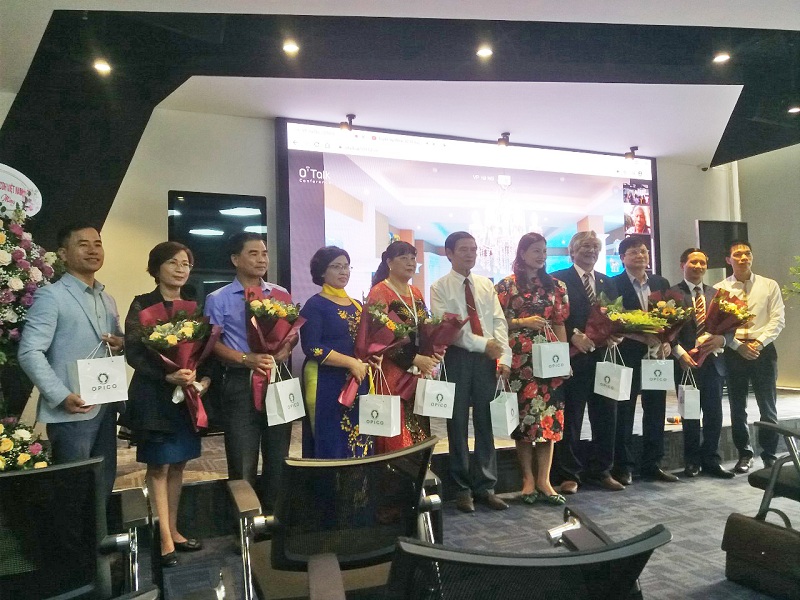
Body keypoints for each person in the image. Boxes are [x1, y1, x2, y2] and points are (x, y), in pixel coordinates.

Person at [119, 242, 211, 567]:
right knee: (158, 466)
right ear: (156, 268)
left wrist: (197, 374)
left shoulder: (194, 306)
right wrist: (166, 375)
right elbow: (134, 352)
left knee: (179, 464)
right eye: (173, 262)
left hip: (185, 397)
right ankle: (163, 538)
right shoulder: (142, 304)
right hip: (154, 396)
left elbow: (204, 350)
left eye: (186, 263)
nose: (180, 269)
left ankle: (174, 529)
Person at [18, 222, 124, 500]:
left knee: (103, 485)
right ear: (63, 254)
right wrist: (60, 395)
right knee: (73, 491)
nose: (93, 250)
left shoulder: (107, 299)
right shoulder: (51, 296)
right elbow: (30, 352)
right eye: (83, 244)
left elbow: (116, 343)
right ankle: (72, 532)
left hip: (106, 406)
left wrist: (121, 343)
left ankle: (98, 530)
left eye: (98, 244)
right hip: (72, 408)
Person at [204, 232, 295, 511]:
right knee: (242, 458)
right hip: (239, 383)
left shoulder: (280, 294)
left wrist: (285, 349)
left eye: (264, 253)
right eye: (253, 253)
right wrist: (246, 359)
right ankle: (245, 524)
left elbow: (292, 334)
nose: (261, 259)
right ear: (235, 259)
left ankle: (274, 518)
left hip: (277, 379)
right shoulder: (217, 298)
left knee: (278, 456)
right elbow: (211, 344)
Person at [430, 232, 511, 512]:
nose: (470, 254)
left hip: (488, 359)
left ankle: (486, 487)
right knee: (457, 423)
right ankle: (462, 488)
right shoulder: (439, 287)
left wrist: (504, 357)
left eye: (474, 249)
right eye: (464, 249)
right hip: (458, 358)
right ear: (449, 253)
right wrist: (483, 344)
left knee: (486, 423)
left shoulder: (485, 284)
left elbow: (499, 322)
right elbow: (449, 331)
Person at [495, 233, 570, 506]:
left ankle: (544, 480)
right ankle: (527, 480)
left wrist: (564, 359)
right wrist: (522, 322)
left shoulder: (556, 285)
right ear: (522, 252)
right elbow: (496, 322)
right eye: (536, 251)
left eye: (544, 251)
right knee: (525, 422)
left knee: (549, 420)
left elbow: (559, 322)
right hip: (520, 360)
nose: (541, 256)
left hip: (549, 360)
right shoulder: (506, 285)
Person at [551, 231, 625, 494]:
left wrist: (616, 333)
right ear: (572, 251)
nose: (591, 250)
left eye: (595, 246)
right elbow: (554, 315)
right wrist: (573, 334)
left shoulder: (607, 281)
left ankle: (601, 470)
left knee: (606, 415)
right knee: (572, 417)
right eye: (585, 246)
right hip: (574, 357)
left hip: (603, 358)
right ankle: (568, 475)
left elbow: (615, 315)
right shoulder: (558, 279)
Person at [611, 235, 676, 484]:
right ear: (622, 258)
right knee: (625, 410)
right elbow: (613, 321)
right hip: (627, 355)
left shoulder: (660, 282)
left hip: (657, 356)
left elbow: (671, 318)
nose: (641, 255)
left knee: (656, 409)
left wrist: (668, 340)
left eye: (644, 251)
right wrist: (641, 336)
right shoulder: (613, 284)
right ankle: (623, 466)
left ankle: (653, 463)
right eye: (634, 252)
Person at [715, 240, 785, 473]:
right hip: (734, 351)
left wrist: (758, 343)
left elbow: (777, 320)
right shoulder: (720, 289)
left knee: (768, 405)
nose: (743, 258)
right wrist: (738, 346)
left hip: (763, 350)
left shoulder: (769, 285)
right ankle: (744, 454)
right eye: (737, 255)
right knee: (737, 405)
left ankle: (769, 455)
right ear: (728, 260)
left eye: (747, 253)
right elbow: (717, 325)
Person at [299, 246, 374, 458]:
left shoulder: (357, 305)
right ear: (322, 272)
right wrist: (350, 363)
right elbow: (312, 347)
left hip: (358, 379)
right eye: (336, 266)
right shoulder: (315, 305)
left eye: (346, 266)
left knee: (360, 438)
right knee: (331, 439)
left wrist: (373, 355)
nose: (344, 271)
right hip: (326, 382)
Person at [366, 241, 440, 453]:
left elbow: (425, 327)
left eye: (413, 258)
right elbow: (378, 338)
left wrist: (434, 350)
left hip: (417, 371)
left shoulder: (415, 292)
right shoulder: (379, 292)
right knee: (396, 429)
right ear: (389, 262)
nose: (410, 263)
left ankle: (417, 472)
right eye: (403, 258)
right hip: (392, 371)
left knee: (419, 426)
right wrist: (414, 358)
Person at [669, 248, 734, 479]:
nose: (698, 266)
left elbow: (731, 327)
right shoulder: (671, 294)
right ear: (682, 265)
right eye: (693, 262)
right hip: (685, 363)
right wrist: (679, 353)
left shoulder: (717, 294)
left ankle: (711, 460)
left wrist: (722, 340)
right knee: (690, 413)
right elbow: (665, 329)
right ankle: (692, 461)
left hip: (713, 363)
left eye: (702, 263)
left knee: (714, 413)